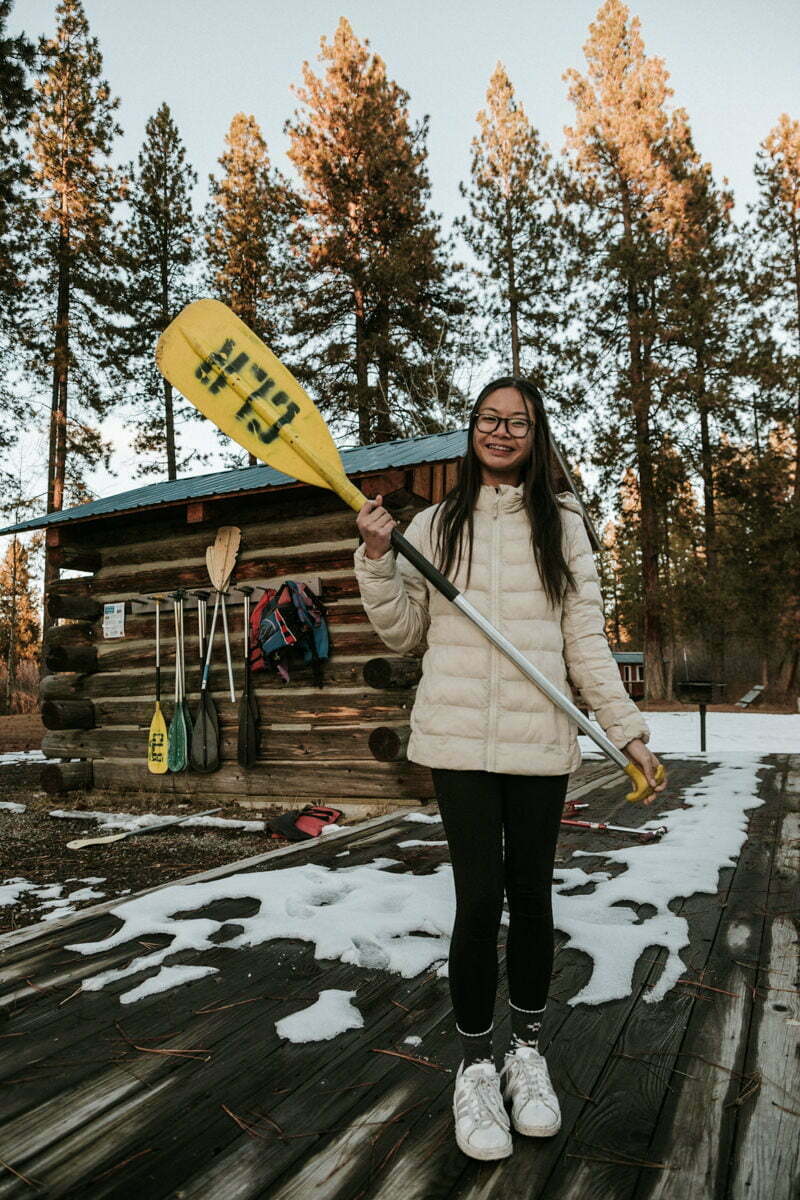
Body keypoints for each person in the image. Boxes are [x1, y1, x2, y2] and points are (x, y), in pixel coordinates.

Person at [353, 376, 667, 1162]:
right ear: (472, 430)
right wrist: (377, 558)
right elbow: (402, 634)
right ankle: (474, 1066)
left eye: (517, 422)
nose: (500, 431)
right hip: (458, 740)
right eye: (489, 419)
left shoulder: (562, 524)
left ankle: (526, 1054)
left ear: (536, 434)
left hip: (537, 739)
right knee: (476, 897)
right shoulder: (434, 524)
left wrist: (625, 731)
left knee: (530, 896)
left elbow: (584, 641)